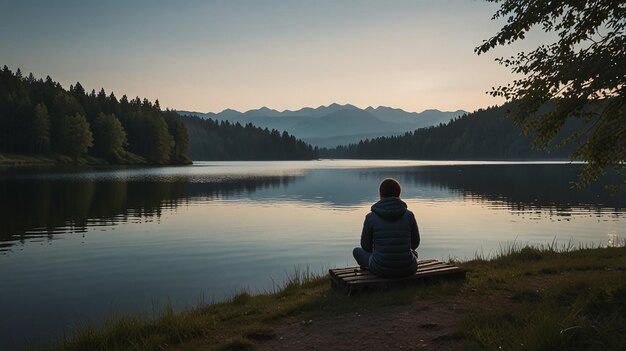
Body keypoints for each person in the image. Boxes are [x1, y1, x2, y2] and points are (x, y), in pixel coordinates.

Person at [352, 178, 420, 278]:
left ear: (380, 194)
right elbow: (415, 244)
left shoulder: (371, 217)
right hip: (408, 268)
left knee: (357, 251)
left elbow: (365, 247)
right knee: (413, 253)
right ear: (399, 194)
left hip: (380, 269)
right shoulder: (409, 215)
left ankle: (368, 268)